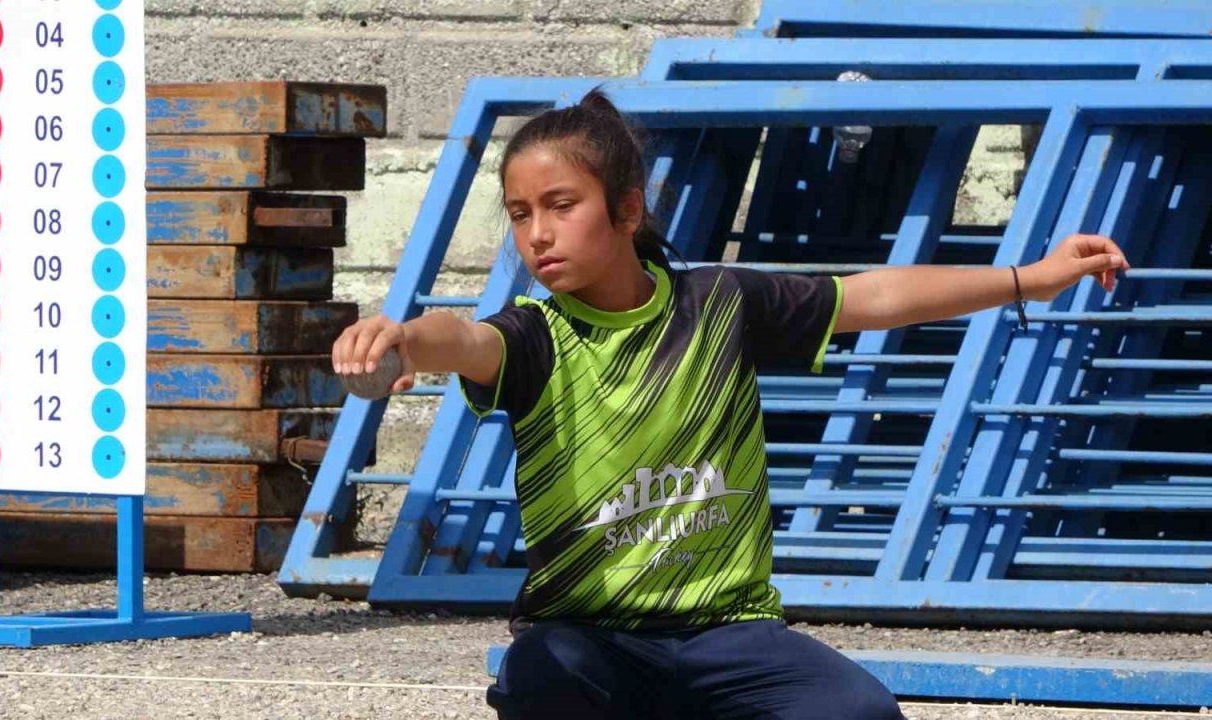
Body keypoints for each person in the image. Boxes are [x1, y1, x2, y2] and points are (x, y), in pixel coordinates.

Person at [332, 90, 1130, 719]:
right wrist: (401, 337)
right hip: (591, 640)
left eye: (561, 204)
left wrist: (1029, 276)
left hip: (731, 636)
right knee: (541, 673)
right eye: (519, 214)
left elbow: (877, 296)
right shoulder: (532, 337)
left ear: (627, 209)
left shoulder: (719, 305)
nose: (538, 233)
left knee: (859, 710)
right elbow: (461, 341)